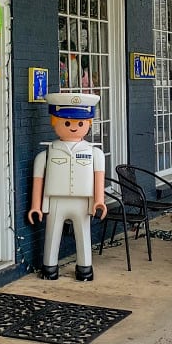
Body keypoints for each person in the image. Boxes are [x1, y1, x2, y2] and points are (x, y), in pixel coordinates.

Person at [28, 91, 106, 281]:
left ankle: (85, 268)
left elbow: (99, 178)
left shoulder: (94, 153)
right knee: (52, 234)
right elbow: (38, 180)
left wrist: (99, 201)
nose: (73, 127)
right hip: (56, 201)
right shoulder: (46, 154)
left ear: (88, 124)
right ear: (55, 122)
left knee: (83, 234)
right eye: (67, 122)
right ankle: (49, 268)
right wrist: (36, 207)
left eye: (80, 123)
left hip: (82, 202)